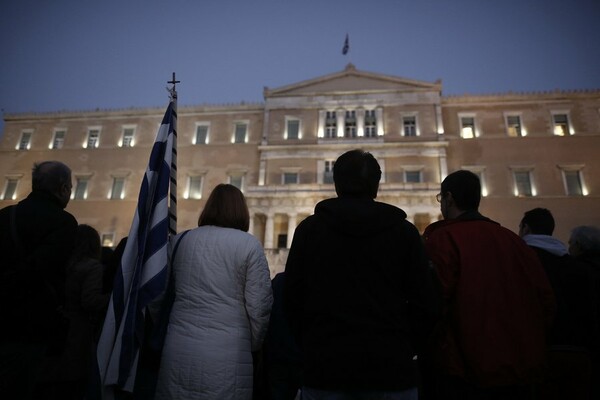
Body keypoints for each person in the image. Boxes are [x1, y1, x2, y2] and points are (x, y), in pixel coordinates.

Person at [284, 149, 438, 400]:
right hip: (391, 369)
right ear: (376, 186)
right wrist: (404, 347)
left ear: (336, 184)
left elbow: (292, 298)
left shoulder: (309, 231)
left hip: (325, 367)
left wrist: (313, 343)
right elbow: (425, 303)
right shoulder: (405, 233)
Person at [423, 170, 555, 400]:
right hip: (520, 366)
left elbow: (432, 303)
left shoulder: (443, 239)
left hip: (464, 370)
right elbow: (546, 300)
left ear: (449, 198)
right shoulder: (514, 241)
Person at [154, 184, 273, 400]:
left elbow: (158, 294)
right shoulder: (249, 245)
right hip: (229, 352)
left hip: (178, 347)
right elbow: (260, 307)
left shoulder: (180, 241)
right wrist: (253, 343)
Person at [0, 161, 78, 399]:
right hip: (32, 325)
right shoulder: (64, 222)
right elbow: (46, 269)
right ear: (63, 188)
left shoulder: (5, 215)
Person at [519, 208, 595, 400]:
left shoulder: (520, 260)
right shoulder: (578, 267)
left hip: (537, 353)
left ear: (526, 228)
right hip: (580, 353)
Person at [40, 224, 109, 399]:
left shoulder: (63, 264)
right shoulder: (92, 267)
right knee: (74, 378)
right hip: (78, 329)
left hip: (56, 324)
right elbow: (90, 301)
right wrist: (112, 298)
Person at [568, 225, 600, 399]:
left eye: (571, 243)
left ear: (579, 246)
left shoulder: (575, 271)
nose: (568, 247)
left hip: (582, 346)